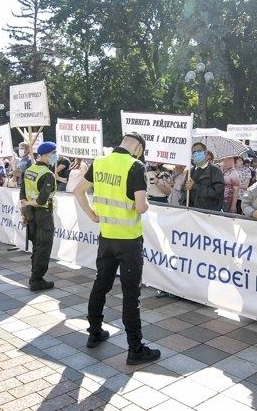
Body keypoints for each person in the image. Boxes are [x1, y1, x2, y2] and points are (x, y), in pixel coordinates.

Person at [73, 132, 161, 365]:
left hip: (107, 237)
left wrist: (92, 214)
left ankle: (94, 332)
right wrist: (147, 200)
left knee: (100, 284)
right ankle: (135, 348)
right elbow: (141, 208)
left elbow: (77, 190)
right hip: (129, 240)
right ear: (139, 148)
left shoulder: (99, 162)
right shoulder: (136, 166)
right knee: (131, 294)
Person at [20, 142, 58, 291]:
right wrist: (30, 203)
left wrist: (25, 209)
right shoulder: (47, 174)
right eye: (53, 153)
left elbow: (22, 194)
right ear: (45, 155)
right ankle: (37, 279)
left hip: (31, 213)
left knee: (37, 245)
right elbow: (42, 200)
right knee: (44, 246)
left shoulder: (29, 170)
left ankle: (34, 275)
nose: (55, 156)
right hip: (43, 214)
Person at [181, 142, 224, 211]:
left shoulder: (215, 171)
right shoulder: (190, 172)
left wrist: (195, 186)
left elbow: (217, 193)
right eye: (193, 152)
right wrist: (183, 205)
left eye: (198, 151)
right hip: (190, 212)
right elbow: (183, 191)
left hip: (207, 213)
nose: (195, 153)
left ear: (206, 153)